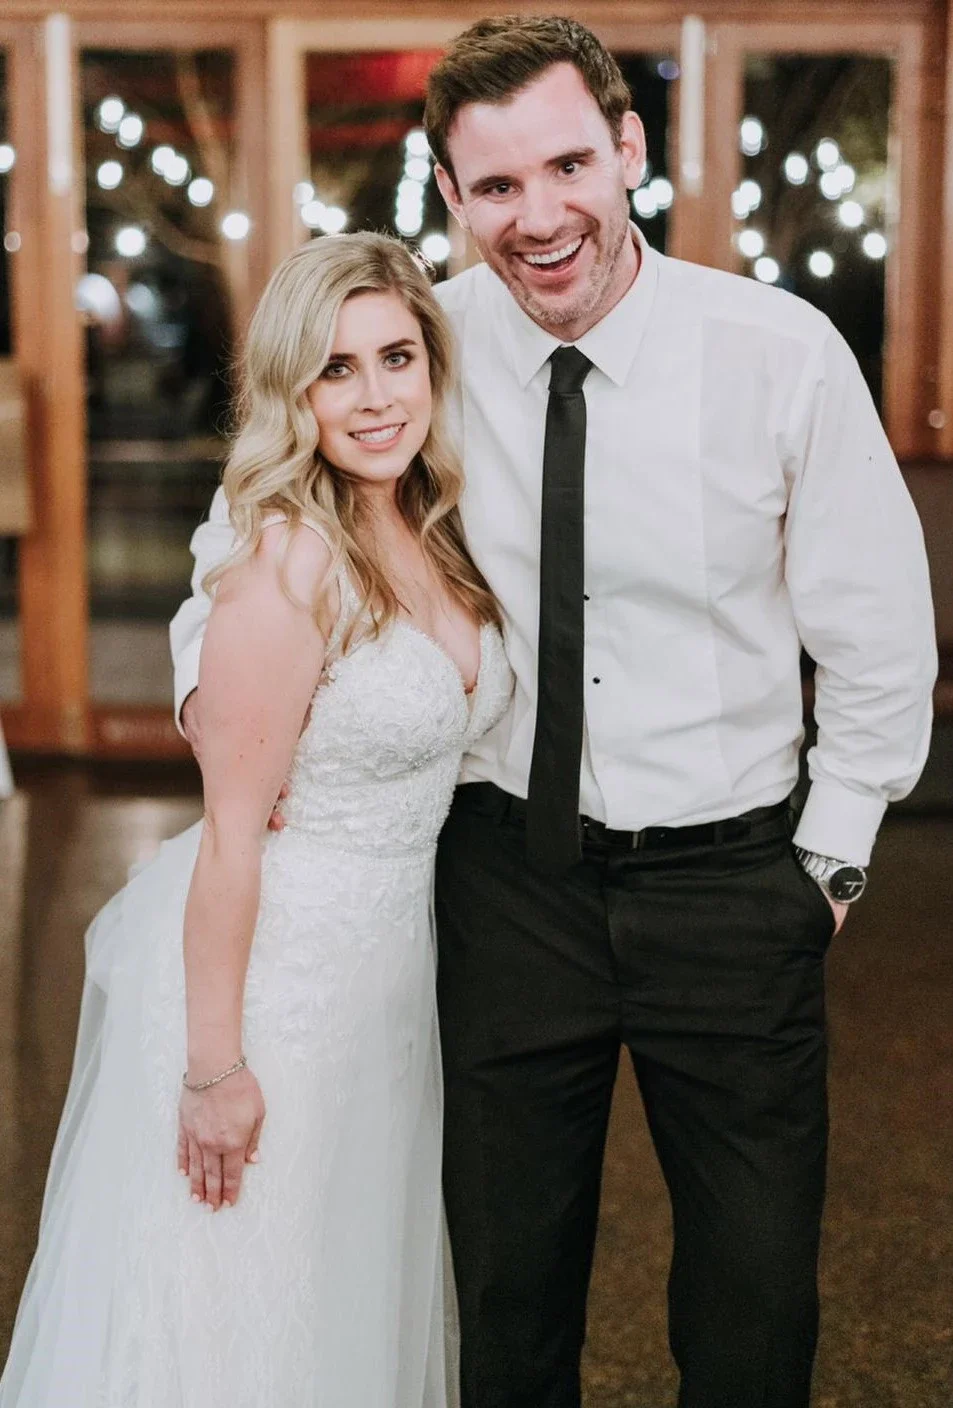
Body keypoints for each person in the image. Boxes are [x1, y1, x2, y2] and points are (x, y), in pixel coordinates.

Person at [172, 16, 937, 1408]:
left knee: (753, 1303)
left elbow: (879, 636)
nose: (539, 216)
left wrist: (826, 863)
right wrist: (214, 700)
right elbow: (245, 527)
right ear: (450, 196)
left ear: (628, 149)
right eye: (497, 185)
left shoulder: (778, 355)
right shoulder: (415, 349)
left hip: (731, 884)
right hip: (504, 888)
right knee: (504, 1300)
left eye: (568, 165)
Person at [0, 231, 512, 1407]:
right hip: (276, 989)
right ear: (293, 390)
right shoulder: (288, 558)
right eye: (336, 369)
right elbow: (232, 833)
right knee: (246, 1318)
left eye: (395, 357)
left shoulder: (434, 526)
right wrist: (215, 1066)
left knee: (339, 1294)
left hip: (385, 980)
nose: (374, 396)